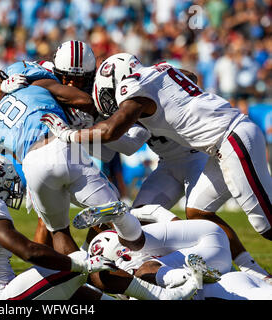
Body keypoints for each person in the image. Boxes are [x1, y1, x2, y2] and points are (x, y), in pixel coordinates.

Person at [41, 53, 272, 241]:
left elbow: (112, 130)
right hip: (219, 145)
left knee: (266, 223)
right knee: (198, 212)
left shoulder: (134, 87)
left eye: (108, 95)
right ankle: (254, 274)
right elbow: (188, 75)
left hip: (231, 138)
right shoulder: (159, 70)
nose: (112, 103)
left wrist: (69, 134)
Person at [0, 153, 204, 300]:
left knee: (72, 289)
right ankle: (164, 297)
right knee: (77, 262)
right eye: (9, 181)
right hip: (0, 299)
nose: (14, 188)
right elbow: (29, 251)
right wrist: (81, 264)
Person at [0, 57, 120, 256]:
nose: (72, 82)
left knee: (57, 230)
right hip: (60, 145)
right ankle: (132, 266)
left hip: (31, 163)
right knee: (115, 212)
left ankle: (58, 276)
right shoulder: (41, 83)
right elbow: (84, 100)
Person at [88, 229, 272, 300]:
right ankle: (192, 276)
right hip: (231, 280)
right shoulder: (153, 255)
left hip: (223, 291)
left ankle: (192, 277)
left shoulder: (143, 274)